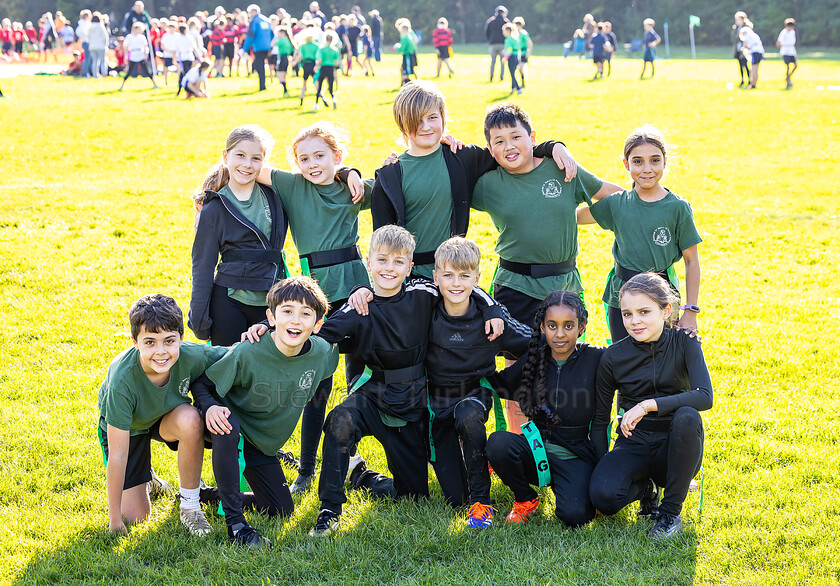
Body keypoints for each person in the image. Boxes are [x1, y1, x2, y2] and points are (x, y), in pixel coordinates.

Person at [304, 225, 504, 537]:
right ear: (368, 262)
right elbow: (316, 330)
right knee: (340, 419)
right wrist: (266, 326)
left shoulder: (423, 294)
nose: (389, 268)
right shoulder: (359, 307)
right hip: (373, 396)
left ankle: (362, 476)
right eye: (381, 260)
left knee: (412, 495)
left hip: (413, 403)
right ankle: (330, 509)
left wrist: (492, 307)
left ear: (409, 268)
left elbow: (462, 283)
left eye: (398, 262)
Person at [472, 102, 622, 431]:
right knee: (520, 373)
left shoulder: (561, 169)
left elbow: (614, 198)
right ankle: (519, 448)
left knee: (562, 367)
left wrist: (650, 205)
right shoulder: (488, 183)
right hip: (515, 287)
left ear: (533, 137)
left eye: (516, 136)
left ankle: (563, 444)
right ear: (490, 149)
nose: (509, 146)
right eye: (499, 141)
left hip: (563, 287)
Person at [245, 122, 368, 495]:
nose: (312, 164)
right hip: (315, 298)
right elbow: (247, 166)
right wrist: (208, 189)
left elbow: (395, 188)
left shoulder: (353, 188)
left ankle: (348, 458)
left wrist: (352, 174)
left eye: (321, 156)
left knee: (357, 381)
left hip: (359, 292)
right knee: (317, 385)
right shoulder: (291, 184)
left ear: (338, 157)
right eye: (304, 158)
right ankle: (306, 469)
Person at [371, 80, 576, 282]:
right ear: (402, 124)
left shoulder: (462, 157)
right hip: (407, 278)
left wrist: (552, 147)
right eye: (416, 120)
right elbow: (381, 244)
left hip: (454, 274)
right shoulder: (390, 177)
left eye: (432, 117)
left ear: (443, 117)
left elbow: (509, 152)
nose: (426, 126)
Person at [192, 277, 338, 548]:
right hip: (228, 429)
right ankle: (235, 525)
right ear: (271, 317)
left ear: (318, 324)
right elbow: (203, 383)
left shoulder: (322, 353)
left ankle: (209, 495)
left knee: (281, 509)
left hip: (262, 445)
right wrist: (210, 407)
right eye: (287, 311)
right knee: (228, 424)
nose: (295, 320)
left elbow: (324, 378)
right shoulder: (249, 350)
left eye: (306, 314)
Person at [589, 273, 713, 539]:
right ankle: (648, 490)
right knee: (603, 497)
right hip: (635, 441)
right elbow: (600, 419)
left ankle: (670, 513)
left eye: (644, 312)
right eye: (627, 314)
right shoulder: (613, 356)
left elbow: (705, 396)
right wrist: (601, 467)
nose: (635, 321)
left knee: (688, 416)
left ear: (666, 310)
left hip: (677, 444)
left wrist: (647, 405)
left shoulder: (686, 342)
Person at [98, 294, 225, 535]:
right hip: (130, 427)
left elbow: (235, 354)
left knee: (190, 419)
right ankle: (150, 480)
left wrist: (263, 333)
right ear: (135, 342)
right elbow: (118, 455)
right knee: (135, 517)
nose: (161, 351)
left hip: (166, 417)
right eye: (150, 342)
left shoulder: (192, 355)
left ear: (181, 339)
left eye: (169, 341)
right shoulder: (121, 381)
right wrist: (114, 520)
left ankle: (190, 506)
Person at [426, 237, 530, 527]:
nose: (456, 283)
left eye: (464, 276)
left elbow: (533, 345)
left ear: (477, 278)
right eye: (448, 275)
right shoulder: (425, 309)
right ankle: (465, 481)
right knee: (453, 497)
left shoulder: (494, 320)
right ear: (436, 277)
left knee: (469, 416)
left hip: (472, 395)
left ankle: (481, 503)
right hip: (434, 403)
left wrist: (504, 381)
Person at [486, 291, 603, 527]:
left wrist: (680, 340)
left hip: (574, 455)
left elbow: (633, 355)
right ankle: (525, 499)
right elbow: (498, 383)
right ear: (542, 327)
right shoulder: (535, 357)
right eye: (552, 326)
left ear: (581, 327)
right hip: (535, 450)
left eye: (568, 326)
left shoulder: (596, 358)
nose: (560, 334)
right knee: (498, 443)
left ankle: (569, 489)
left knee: (575, 516)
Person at [577, 125, 702, 344]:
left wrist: (690, 310)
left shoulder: (678, 207)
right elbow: (573, 218)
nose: (647, 169)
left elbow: (692, 261)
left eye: (655, 160)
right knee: (625, 360)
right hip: (621, 296)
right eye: (637, 161)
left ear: (665, 162)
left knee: (661, 361)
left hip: (662, 296)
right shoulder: (617, 203)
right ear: (626, 164)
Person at [189, 125, 289, 346]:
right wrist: (199, 318)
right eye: (240, 155)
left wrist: (347, 173)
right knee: (229, 370)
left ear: (264, 162)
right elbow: (202, 266)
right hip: (229, 301)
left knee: (267, 373)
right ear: (226, 157)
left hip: (272, 300)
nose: (247, 164)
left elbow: (314, 182)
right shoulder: (213, 209)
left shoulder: (276, 196)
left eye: (255, 158)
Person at [120, 22, 158, 90]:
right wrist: (126, 56)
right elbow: (125, 47)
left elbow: (145, 46)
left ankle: (154, 84)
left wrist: (146, 53)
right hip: (133, 55)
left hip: (140, 55)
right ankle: (122, 85)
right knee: (129, 72)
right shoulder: (129, 37)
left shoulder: (141, 37)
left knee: (146, 71)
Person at [241, 4, 272, 91]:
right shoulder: (267, 20)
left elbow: (250, 36)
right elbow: (271, 34)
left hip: (259, 47)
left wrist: (245, 49)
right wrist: (271, 47)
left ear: (253, 12)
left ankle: (262, 86)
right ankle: (263, 84)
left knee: (259, 66)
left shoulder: (254, 21)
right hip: (268, 46)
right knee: (259, 65)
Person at [292, 27, 319, 106]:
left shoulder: (303, 46)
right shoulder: (316, 46)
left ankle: (301, 99)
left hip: (306, 65)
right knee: (316, 82)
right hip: (313, 64)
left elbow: (300, 56)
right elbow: (318, 57)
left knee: (304, 83)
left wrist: (295, 62)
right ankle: (321, 96)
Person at [314, 32, 340, 109]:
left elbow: (320, 60)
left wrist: (316, 66)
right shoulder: (334, 50)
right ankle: (333, 99)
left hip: (323, 68)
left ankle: (316, 104)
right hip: (331, 68)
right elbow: (336, 62)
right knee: (330, 88)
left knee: (319, 87)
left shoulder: (322, 49)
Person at [484, 6, 508, 82]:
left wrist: (490, 40)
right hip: (503, 45)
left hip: (493, 44)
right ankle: (501, 76)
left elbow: (486, 32)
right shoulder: (506, 22)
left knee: (493, 61)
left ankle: (491, 76)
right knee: (502, 61)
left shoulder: (490, 21)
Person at [731, 12, 752, 87]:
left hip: (745, 49)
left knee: (745, 64)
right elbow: (733, 38)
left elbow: (747, 38)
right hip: (738, 48)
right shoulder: (735, 28)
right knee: (740, 65)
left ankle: (749, 80)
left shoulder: (747, 28)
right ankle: (742, 80)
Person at [777, 18, 797, 89]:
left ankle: (788, 77)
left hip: (791, 50)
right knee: (788, 66)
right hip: (785, 50)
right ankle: (788, 82)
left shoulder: (792, 32)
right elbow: (779, 42)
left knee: (795, 65)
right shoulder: (783, 32)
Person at [501, 23, 522, 94]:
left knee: (512, 74)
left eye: (503, 31)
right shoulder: (515, 38)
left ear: (508, 31)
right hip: (516, 57)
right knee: (513, 73)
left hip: (511, 58)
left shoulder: (508, 40)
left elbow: (509, 50)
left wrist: (505, 58)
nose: (503, 33)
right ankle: (512, 88)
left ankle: (518, 89)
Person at [87, 15, 109, 79]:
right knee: (103, 61)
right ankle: (104, 73)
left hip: (92, 46)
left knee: (94, 61)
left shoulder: (90, 27)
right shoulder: (100, 26)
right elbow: (105, 37)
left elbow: (88, 37)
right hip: (101, 46)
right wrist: (106, 45)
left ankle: (95, 74)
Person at [274, 24, 294, 95]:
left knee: (280, 75)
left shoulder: (282, 40)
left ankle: (285, 90)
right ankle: (285, 90)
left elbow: (272, 44)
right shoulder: (288, 40)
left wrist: (275, 38)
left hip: (282, 58)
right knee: (283, 75)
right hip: (287, 58)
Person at [396, 20, 418, 85]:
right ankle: (403, 82)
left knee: (406, 70)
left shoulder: (406, 36)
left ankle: (408, 83)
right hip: (407, 54)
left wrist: (397, 47)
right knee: (405, 69)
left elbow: (402, 47)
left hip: (408, 54)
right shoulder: (407, 36)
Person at [512, 17, 531, 88]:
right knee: (514, 69)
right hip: (516, 53)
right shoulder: (513, 34)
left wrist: (528, 52)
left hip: (523, 53)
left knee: (520, 68)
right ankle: (514, 85)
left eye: (518, 24)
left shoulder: (524, 33)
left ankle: (523, 83)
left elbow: (530, 43)